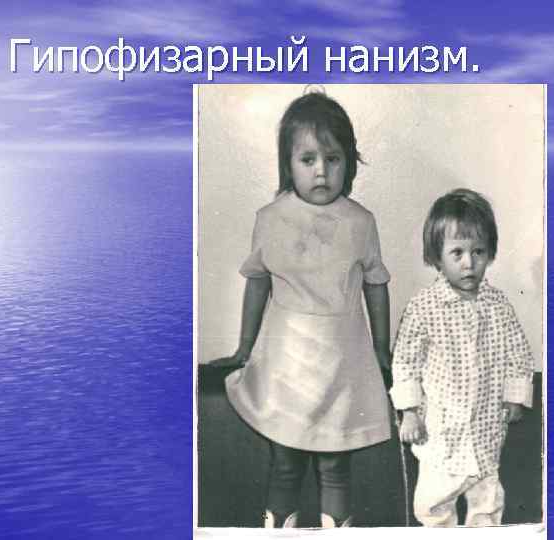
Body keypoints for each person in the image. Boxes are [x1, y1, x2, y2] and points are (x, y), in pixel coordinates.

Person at [220, 90, 392, 528]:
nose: (321, 171)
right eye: (308, 159)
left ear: (348, 164)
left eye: (333, 159)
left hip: (342, 364)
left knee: (335, 466)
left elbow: (376, 285)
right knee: (285, 463)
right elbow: (257, 283)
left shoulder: (361, 222)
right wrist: (244, 347)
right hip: (287, 364)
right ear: (288, 164)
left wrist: (381, 348)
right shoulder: (270, 218)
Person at [390, 188, 534, 527]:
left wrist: (515, 397)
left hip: (486, 427)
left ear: (490, 253)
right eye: (457, 253)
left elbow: (518, 353)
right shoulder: (424, 307)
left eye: (478, 252)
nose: (469, 263)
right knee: (432, 505)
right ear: (437, 257)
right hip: (441, 432)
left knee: (488, 503)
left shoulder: (498, 305)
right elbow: (406, 362)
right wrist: (409, 412)